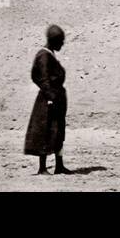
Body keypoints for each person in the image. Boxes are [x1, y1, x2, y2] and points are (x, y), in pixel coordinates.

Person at [24, 24, 70, 175]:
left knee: (59, 132)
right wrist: (51, 96)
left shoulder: (49, 54)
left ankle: (59, 165)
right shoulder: (44, 55)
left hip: (55, 98)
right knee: (45, 132)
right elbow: (41, 78)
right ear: (55, 41)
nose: (62, 44)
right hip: (48, 101)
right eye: (61, 41)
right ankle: (42, 168)